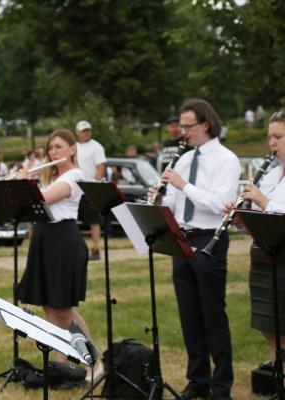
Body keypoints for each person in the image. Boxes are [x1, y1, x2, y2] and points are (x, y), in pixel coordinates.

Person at [148, 98, 240, 400]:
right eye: (180, 126)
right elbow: (175, 205)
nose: (182, 132)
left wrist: (183, 185)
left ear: (205, 124)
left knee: (212, 314)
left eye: (187, 126)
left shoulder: (226, 159)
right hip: (182, 238)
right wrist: (160, 198)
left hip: (209, 239)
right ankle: (197, 380)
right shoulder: (183, 159)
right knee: (189, 314)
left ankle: (221, 385)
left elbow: (218, 204)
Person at [17, 128, 102, 382]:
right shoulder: (53, 176)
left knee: (63, 308)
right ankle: (61, 366)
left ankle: (94, 363)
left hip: (63, 241)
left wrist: (24, 182)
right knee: (49, 306)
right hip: (44, 239)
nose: (54, 152)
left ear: (72, 149)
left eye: (59, 147)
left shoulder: (75, 175)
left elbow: (44, 199)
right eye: (51, 148)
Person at [228, 110, 285, 373]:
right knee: (267, 324)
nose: (271, 143)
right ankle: (277, 372)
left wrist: (263, 201)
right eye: (269, 137)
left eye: (278, 137)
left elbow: (274, 211)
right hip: (263, 256)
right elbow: (260, 217)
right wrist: (241, 216)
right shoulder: (271, 175)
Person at [74, 120, 105, 261]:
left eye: (88, 130)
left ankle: (95, 249)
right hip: (76, 188)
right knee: (72, 220)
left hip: (90, 188)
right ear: (77, 133)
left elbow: (100, 167)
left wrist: (95, 186)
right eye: (83, 131)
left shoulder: (96, 146)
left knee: (94, 221)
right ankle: (76, 249)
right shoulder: (74, 147)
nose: (86, 133)